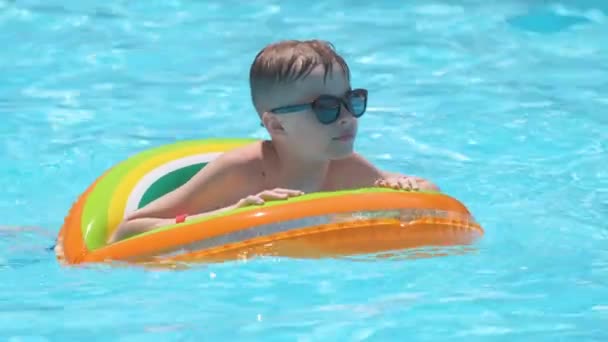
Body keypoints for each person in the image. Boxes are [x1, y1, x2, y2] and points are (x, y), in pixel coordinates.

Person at [108, 39, 439, 243]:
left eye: (352, 100)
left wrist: (407, 185)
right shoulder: (241, 173)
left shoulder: (342, 167)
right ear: (276, 124)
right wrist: (226, 216)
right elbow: (126, 231)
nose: (346, 117)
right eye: (325, 108)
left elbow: (424, 194)